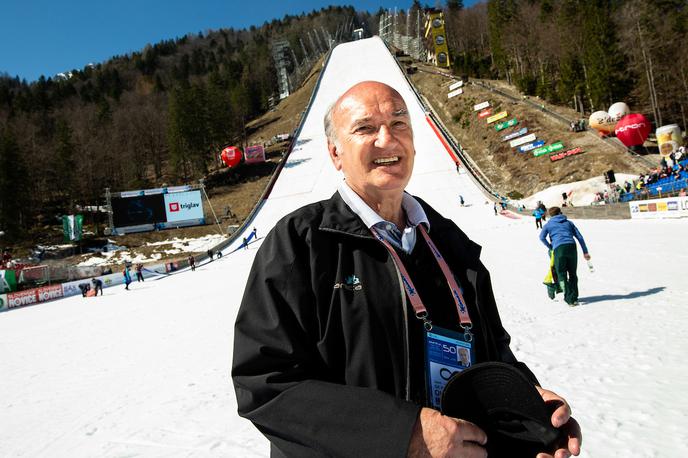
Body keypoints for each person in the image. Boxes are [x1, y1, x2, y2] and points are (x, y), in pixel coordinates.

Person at [232, 81, 581, 458]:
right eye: (365, 128)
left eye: (400, 124)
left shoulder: (450, 242)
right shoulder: (300, 243)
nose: (387, 139)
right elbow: (265, 383)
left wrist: (528, 408)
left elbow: (492, 354)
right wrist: (403, 433)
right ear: (335, 152)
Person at [539, 207, 590, 306]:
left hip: (559, 249)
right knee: (572, 274)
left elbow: (541, 237)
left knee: (561, 274)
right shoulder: (569, 223)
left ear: (551, 215)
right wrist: (585, 252)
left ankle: (569, 298)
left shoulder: (548, 225)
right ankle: (574, 297)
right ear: (560, 213)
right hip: (571, 247)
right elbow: (579, 237)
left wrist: (550, 247)